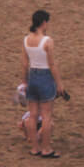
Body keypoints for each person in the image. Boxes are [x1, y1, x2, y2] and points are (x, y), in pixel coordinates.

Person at [20, 10, 62, 158]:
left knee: (32, 115)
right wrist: (59, 84)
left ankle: (35, 147)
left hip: (32, 76)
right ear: (44, 23)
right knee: (46, 116)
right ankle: (46, 148)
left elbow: (25, 63)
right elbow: (52, 64)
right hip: (45, 77)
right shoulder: (47, 41)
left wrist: (24, 80)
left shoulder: (26, 40)